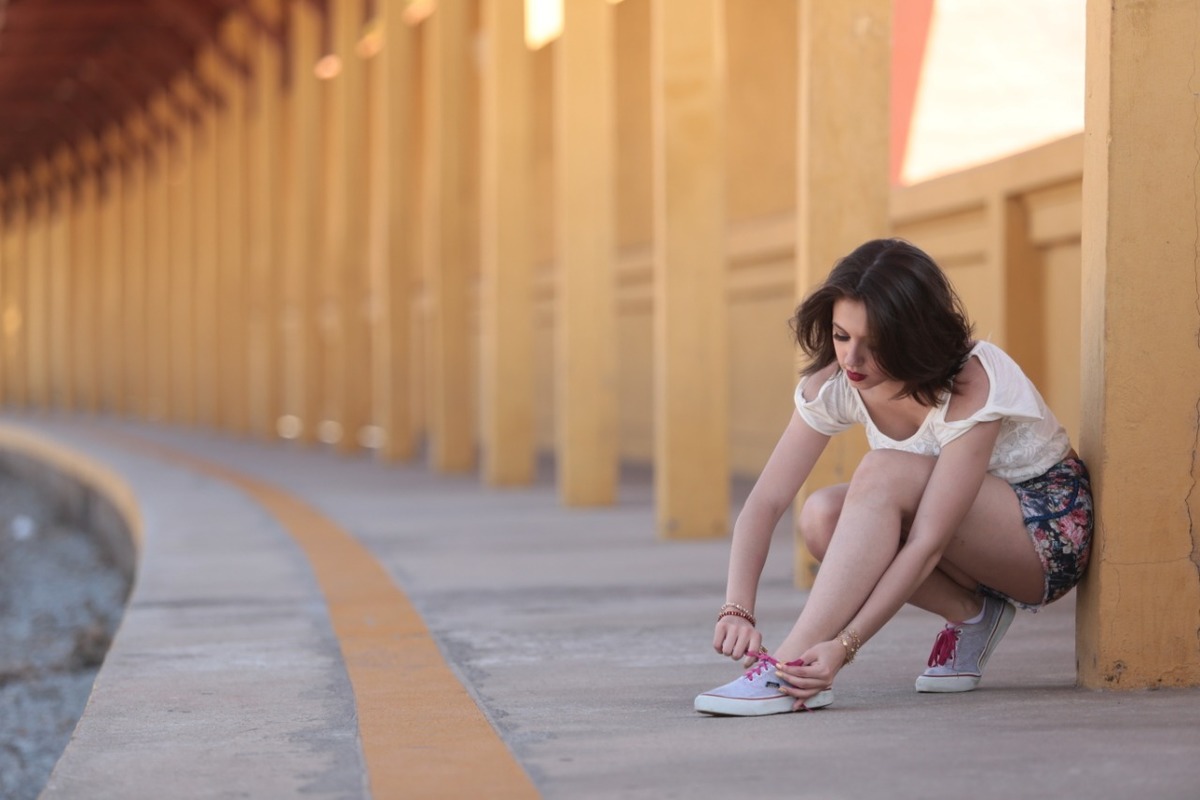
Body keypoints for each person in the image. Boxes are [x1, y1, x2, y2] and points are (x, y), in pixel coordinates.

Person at [694, 238, 1093, 717]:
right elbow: (766, 502)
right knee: (822, 516)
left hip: (1043, 535)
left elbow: (928, 541)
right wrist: (737, 608)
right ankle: (973, 616)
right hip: (964, 541)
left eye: (875, 343)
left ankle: (788, 669)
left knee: (883, 471)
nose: (852, 359)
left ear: (913, 335)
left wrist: (844, 645)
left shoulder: (973, 381)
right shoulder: (836, 383)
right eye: (842, 336)